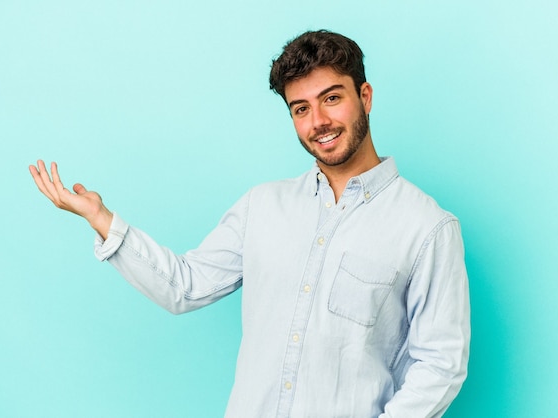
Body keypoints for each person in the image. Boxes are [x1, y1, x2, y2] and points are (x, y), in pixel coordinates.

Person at [30, 30, 470, 418]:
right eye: (300, 108)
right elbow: (185, 285)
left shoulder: (426, 227)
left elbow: (440, 364)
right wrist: (101, 219)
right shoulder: (263, 206)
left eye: (332, 98)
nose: (318, 122)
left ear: (365, 96)